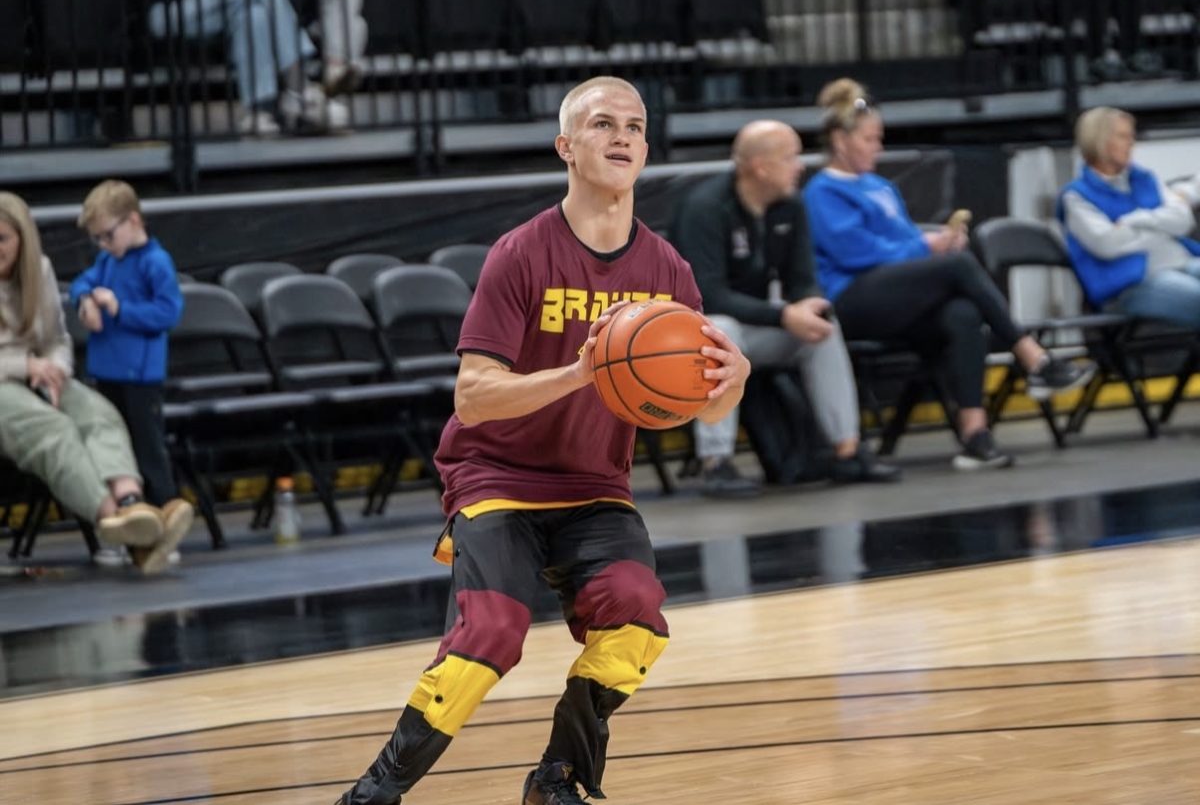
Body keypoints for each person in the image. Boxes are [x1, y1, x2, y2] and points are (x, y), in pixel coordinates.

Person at [334, 77, 751, 805]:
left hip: (594, 485)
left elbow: (696, 413)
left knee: (638, 610)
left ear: (646, 148)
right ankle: (373, 792)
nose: (621, 135)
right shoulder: (520, 253)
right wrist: (580, 374)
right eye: (601, 124)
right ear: (567, 146)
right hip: (494, 474)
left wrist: (733, 380)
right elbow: (474, 395)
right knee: (491, 632)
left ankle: (558, 773)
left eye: (634, 125)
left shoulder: (668, 272)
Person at [803, 78, 1095, 470]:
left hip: (894, 296)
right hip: (851, 299)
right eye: (871, 140)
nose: (879, 147)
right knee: (955, 267)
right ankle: (1033, 357)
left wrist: (935, 243)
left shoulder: (879, 187)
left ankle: (975, 433)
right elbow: (856, 253)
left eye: (879, 138)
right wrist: (928, 249)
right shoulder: (822, 192)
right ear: (841, 141)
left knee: (962, 312)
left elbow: (903, 239)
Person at [672, 119, 901, 495]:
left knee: (822, 329)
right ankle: (717, 461)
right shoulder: (705, 208)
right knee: (720, 329)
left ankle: (847, 451)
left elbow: (802, 277)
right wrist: (782, 315)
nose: (801, 166)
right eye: (791, 157)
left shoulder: (790, 208)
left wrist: (809, 303)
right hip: (693, 336)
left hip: (755, 328)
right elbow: (706, 296)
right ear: (761, 167)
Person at [0, 192, 193, 575]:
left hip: (38, 375)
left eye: (2, 239)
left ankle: (131, 502)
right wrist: (27, 365)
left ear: (23, 238)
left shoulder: (39, 269)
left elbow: (57, 338)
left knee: (98, 413)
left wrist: (54, 368)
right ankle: (116, 524)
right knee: (53, 429)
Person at [146, 0, 346, 135]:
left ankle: (258, 113)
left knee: (254, 14)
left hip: (231, 2)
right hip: (176, 12)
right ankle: (300, 89)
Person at [69, 180, 185, 507]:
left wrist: (120, 309)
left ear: (133, 221)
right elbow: (82, 282)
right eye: (97, 238)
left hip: (140, 376)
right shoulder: (108, 261)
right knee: (112, 450)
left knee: (147, 451)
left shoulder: (156, 261)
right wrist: (84, 301)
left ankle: (163, 516)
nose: (103, 244)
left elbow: (168, 313)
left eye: (108, 235)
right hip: (107, 371)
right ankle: (127, 517)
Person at [1057, 107, 1200, 329]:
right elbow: (1107, 244)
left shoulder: (1144, 178)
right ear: (1100, 141)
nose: (1131, 143)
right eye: (1123, 136)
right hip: (1127, 285)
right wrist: (1161, 228)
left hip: (1181, 262)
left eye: (1131, 136)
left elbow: (1183, 220)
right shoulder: (1077, 196)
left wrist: (1135, 220)